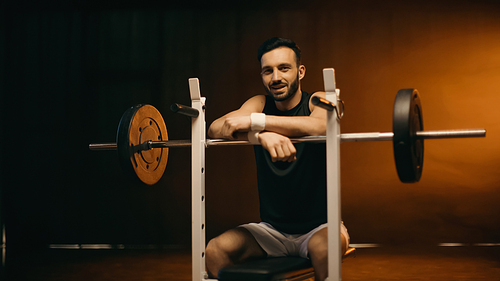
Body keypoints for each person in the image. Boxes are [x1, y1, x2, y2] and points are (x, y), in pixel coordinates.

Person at [205, 37, 349, 281]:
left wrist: (257, 123)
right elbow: (217, 127)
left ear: (300, 71)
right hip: (272, 231)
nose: (275, 78)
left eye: (284, 68)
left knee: (322, 249)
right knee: (214, 250)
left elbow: (321, 125)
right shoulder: (259, 103)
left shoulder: (317, 100)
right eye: (267, 71)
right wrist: (262, 136)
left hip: (320, 227)